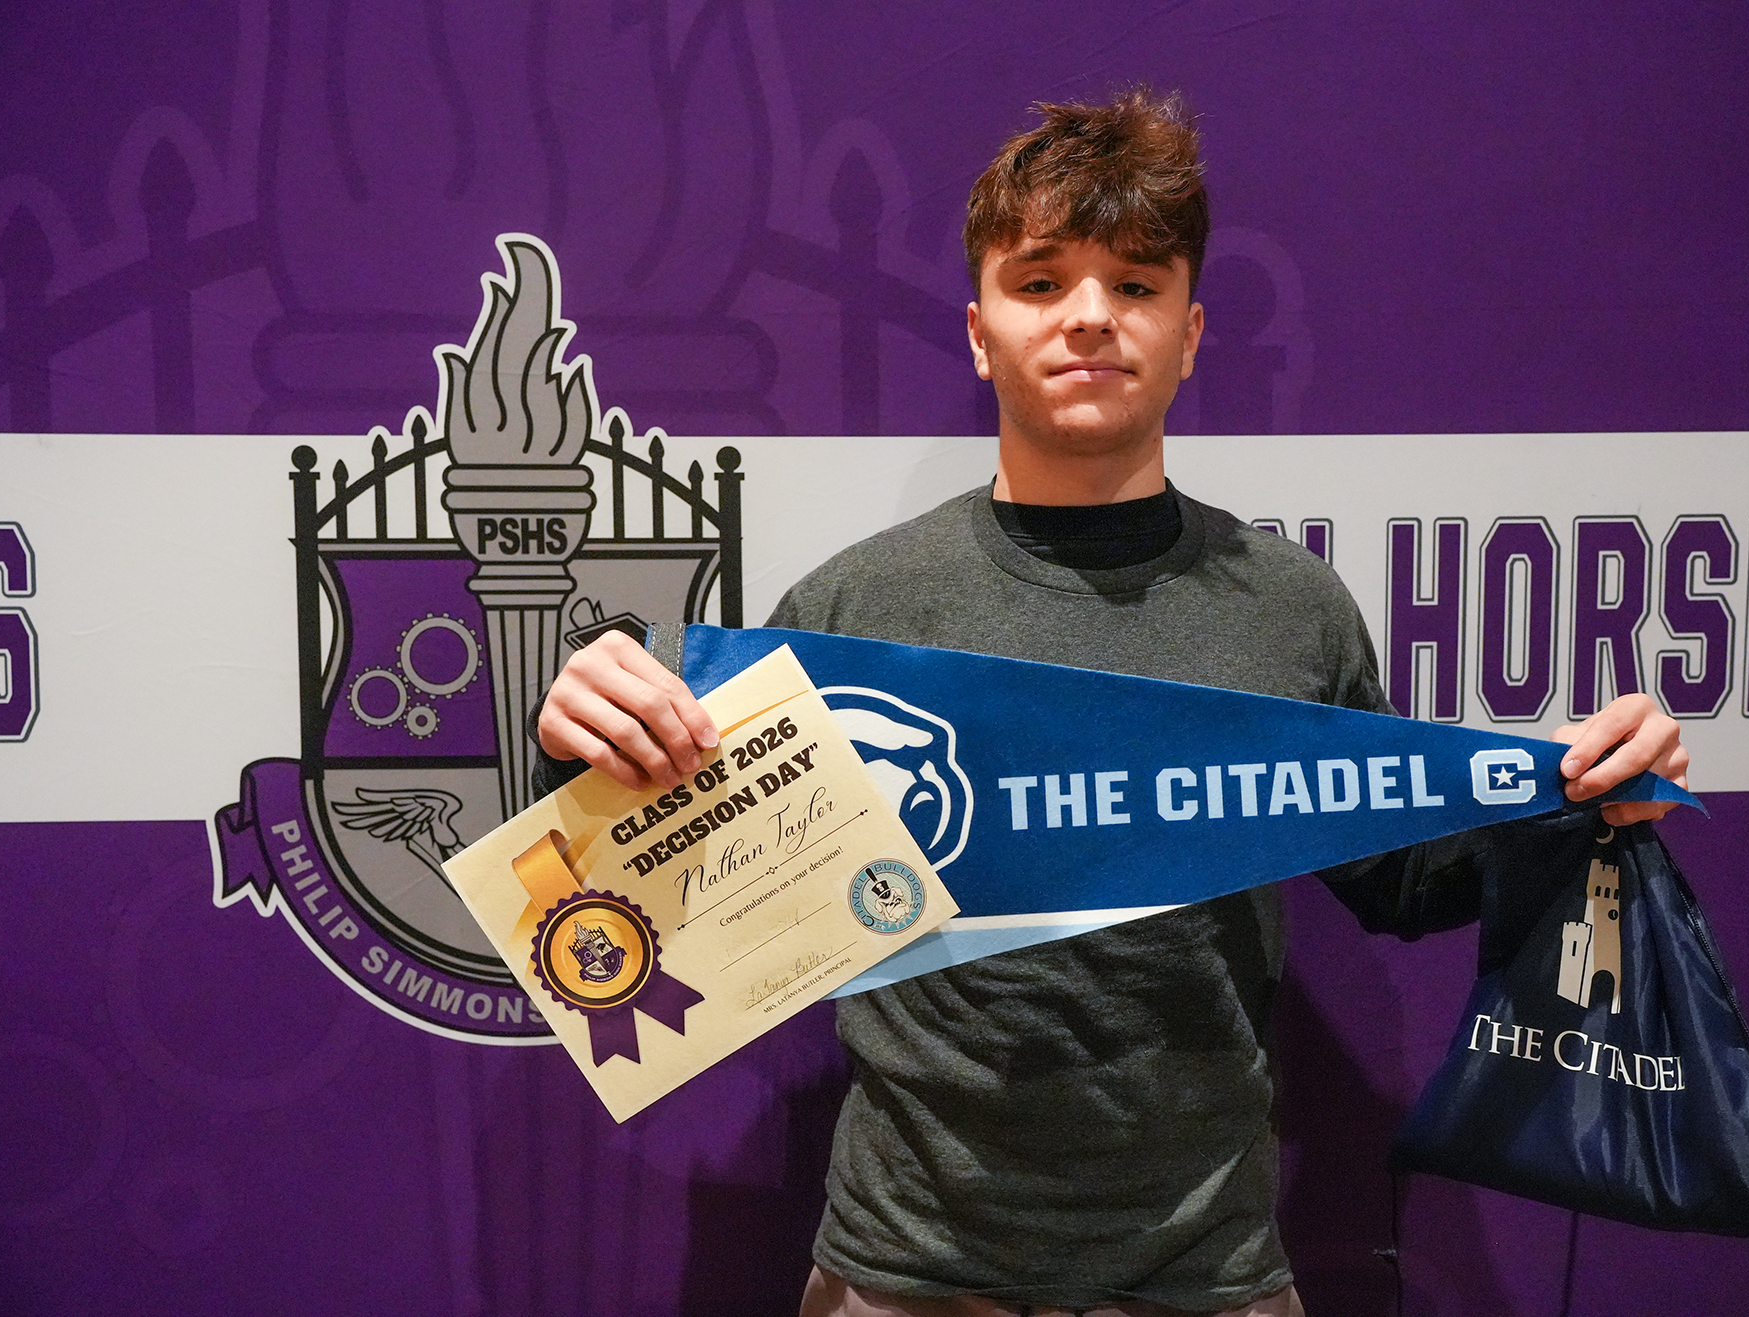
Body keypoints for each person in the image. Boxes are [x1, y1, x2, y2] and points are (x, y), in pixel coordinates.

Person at [536, 90, 1688, 1317]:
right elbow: (664, 890)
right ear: (979, 332)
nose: (1090, 315)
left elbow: (1409, 882)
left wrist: (1575, 797)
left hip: (1205, 1279)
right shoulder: (851, 607)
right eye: (1041, 283)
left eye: (1135, 284)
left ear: (1190, 333)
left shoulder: (1290, 610)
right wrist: (583, 746)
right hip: (904, 1275)